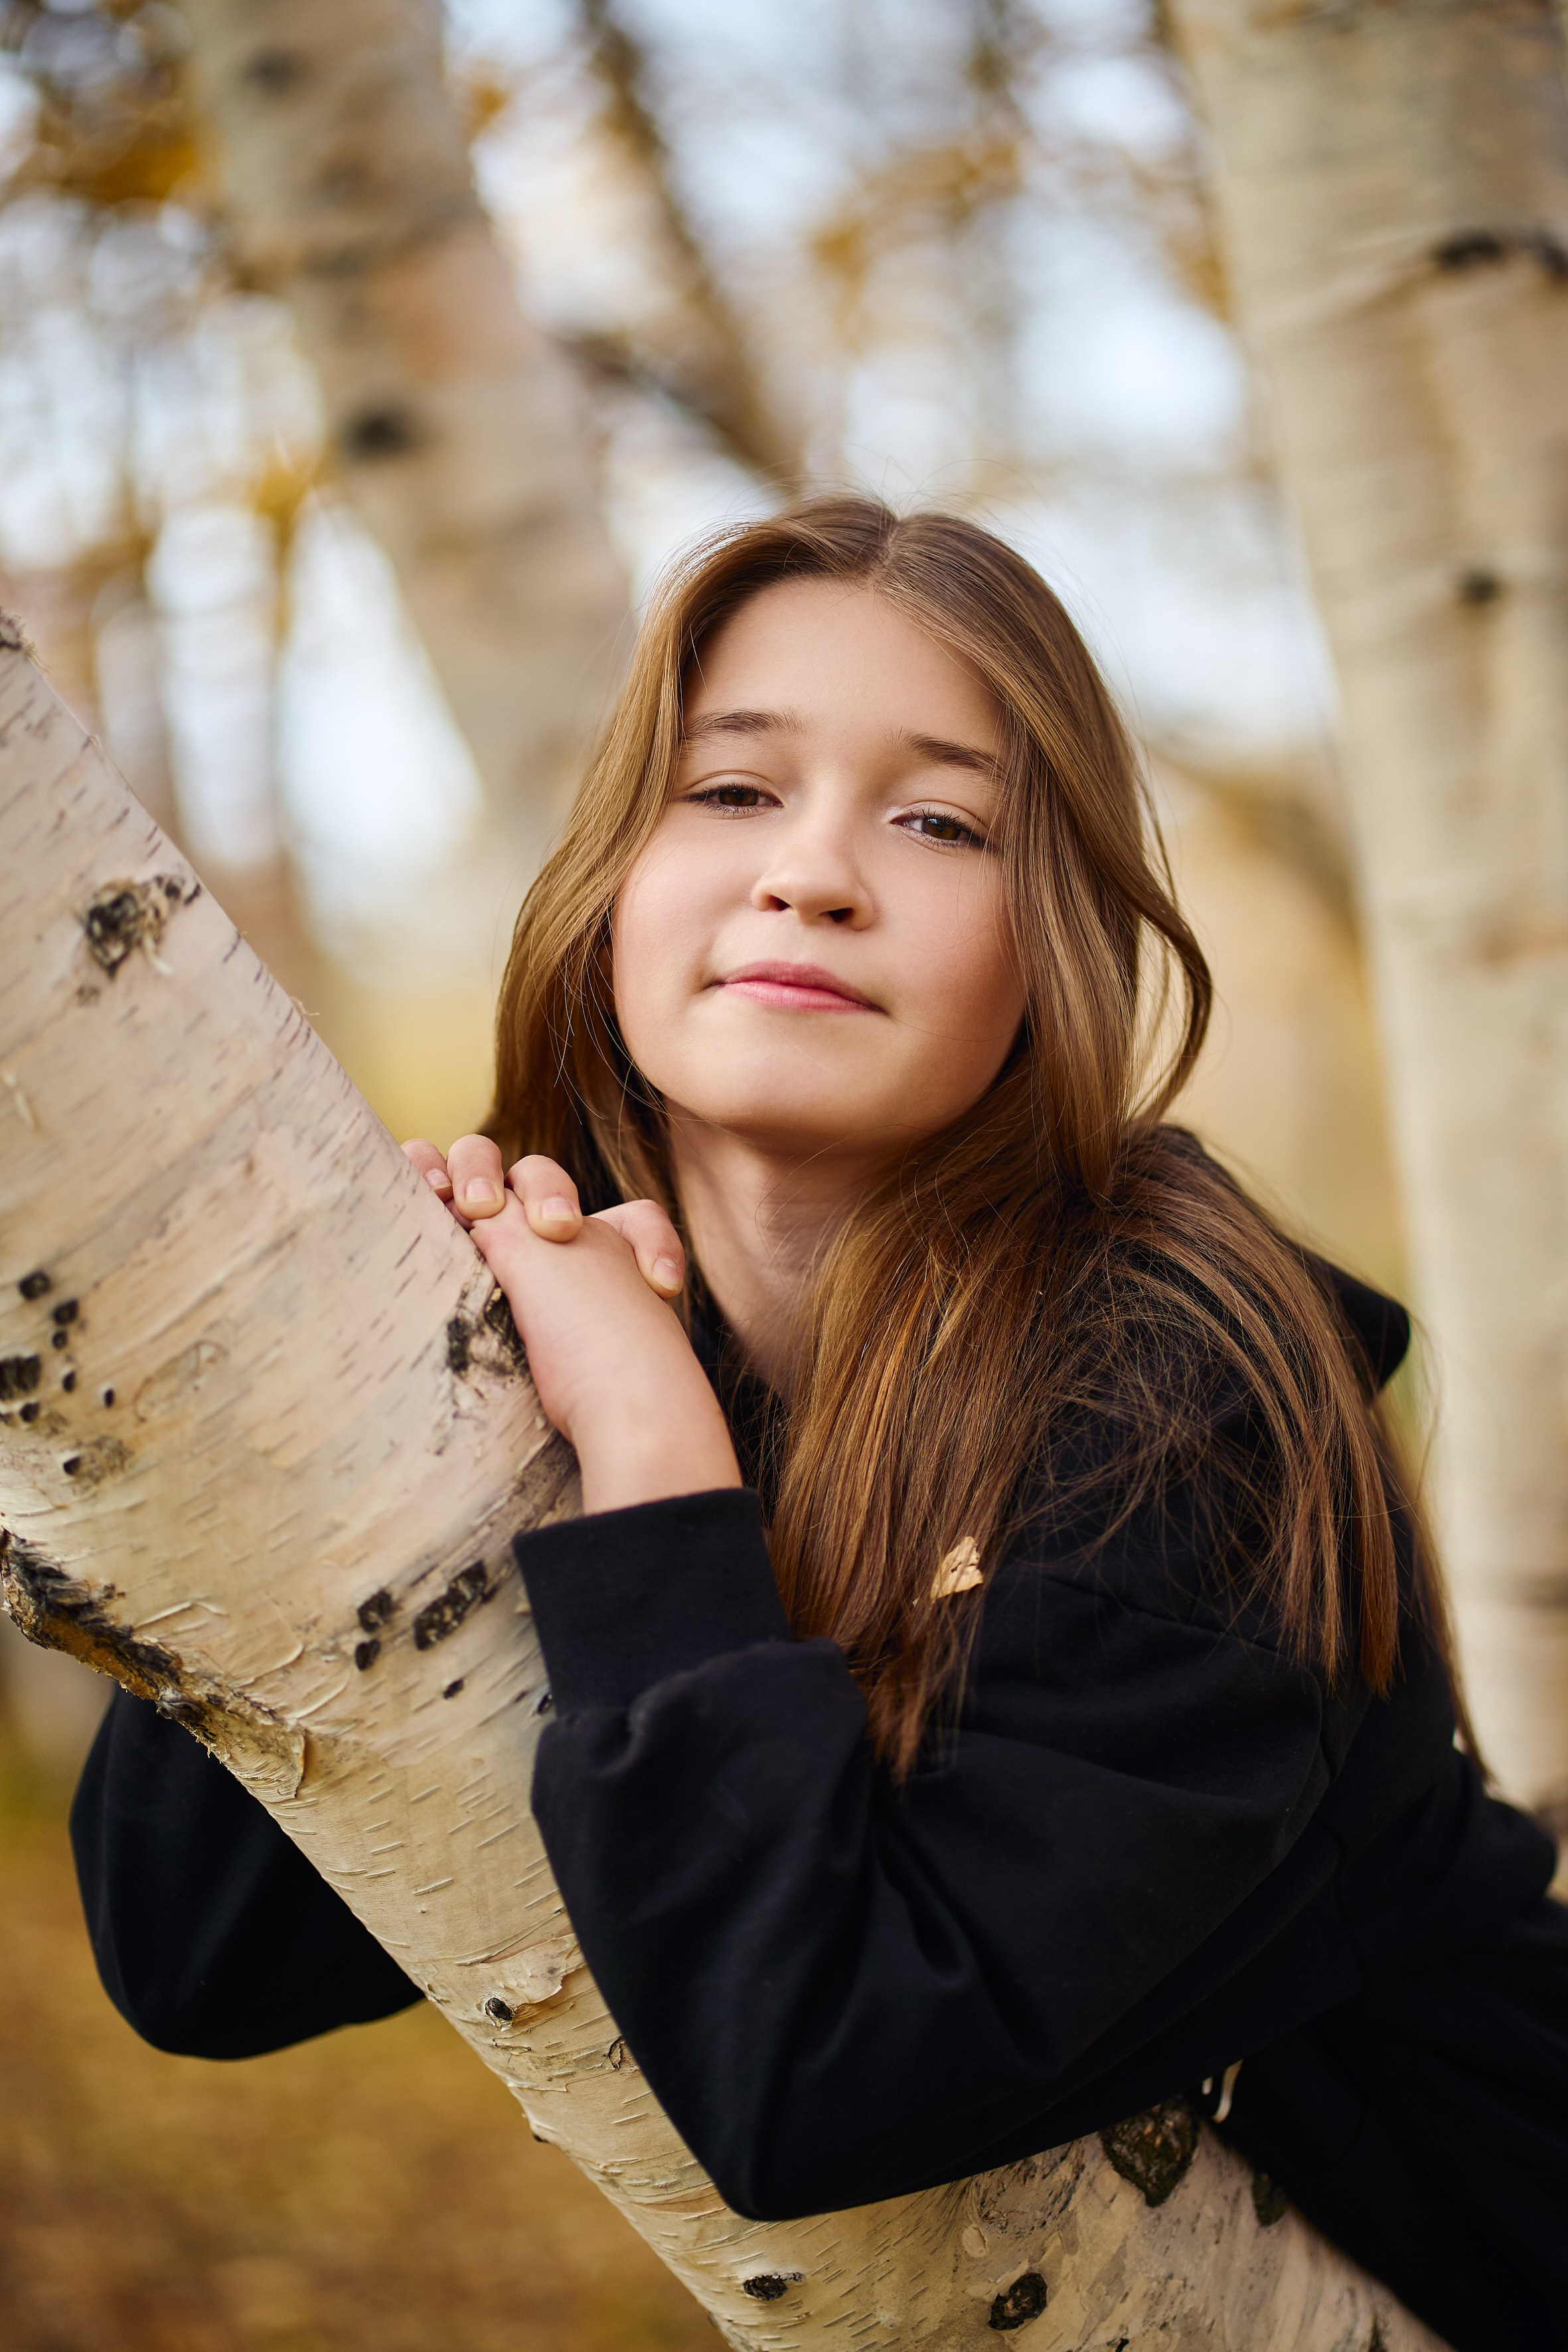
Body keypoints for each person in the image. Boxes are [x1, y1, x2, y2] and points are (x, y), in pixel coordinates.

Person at [72, 499, 1565, 2352]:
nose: (814, 875)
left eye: (937, 821)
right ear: (612, 876)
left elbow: (825, 2079)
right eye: (729, 792)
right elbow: (197, 1959)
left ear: (1053, 948)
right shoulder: (587, 1315)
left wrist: (647, 1459)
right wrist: (342, 1401)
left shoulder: (1179, 1390)